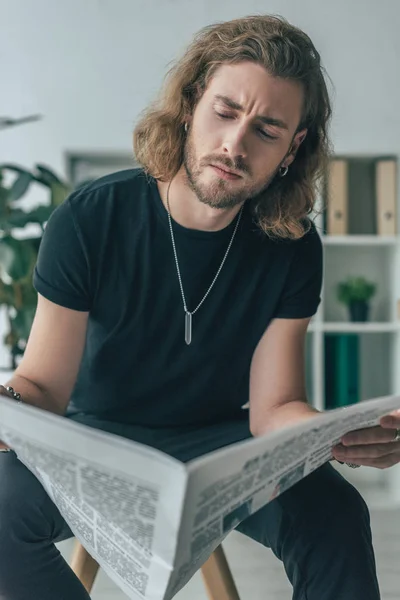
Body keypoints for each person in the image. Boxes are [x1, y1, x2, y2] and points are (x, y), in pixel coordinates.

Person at [0, 13, 399, 600]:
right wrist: (8, 407)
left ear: (294, 147)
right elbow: (43, 387)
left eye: (267, 129)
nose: (235, 144)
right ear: (190, 107)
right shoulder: (91, 218)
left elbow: (274, 408)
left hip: (222, 449)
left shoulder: (292, 244)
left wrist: (334, 437)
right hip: (98, 442)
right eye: (225, 111)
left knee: (335, 514)